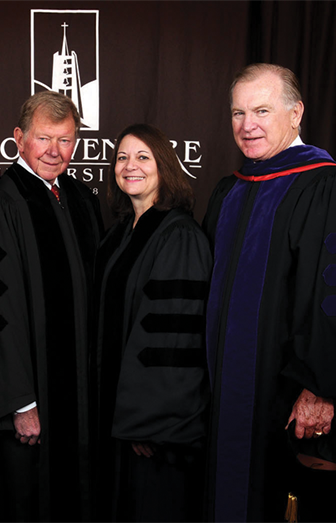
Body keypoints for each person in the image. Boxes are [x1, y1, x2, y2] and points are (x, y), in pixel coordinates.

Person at [203, 63, 336, 523]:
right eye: (237, 113)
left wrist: (320, 388)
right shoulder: (229, 191)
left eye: (262, 110)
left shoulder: (330, 185)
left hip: (298, 400)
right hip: (234, 397)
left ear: (296, 114)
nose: (247, 125)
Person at [0, 91, 104, 523]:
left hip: (80, 396)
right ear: (19, 138)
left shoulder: (82, 198)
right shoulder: (2, 204)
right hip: (34, 399)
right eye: (44, 138)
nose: (54, 151)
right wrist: (21, 402)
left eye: (65, 141)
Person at [94, 124, 211, 523]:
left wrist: (151, 424)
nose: (131, 166)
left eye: (143, 157)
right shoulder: (119, 235)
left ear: (164, 166)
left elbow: (176, 338)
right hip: (117, 419)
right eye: (122, 158)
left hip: (154, 431)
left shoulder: (179, 236)